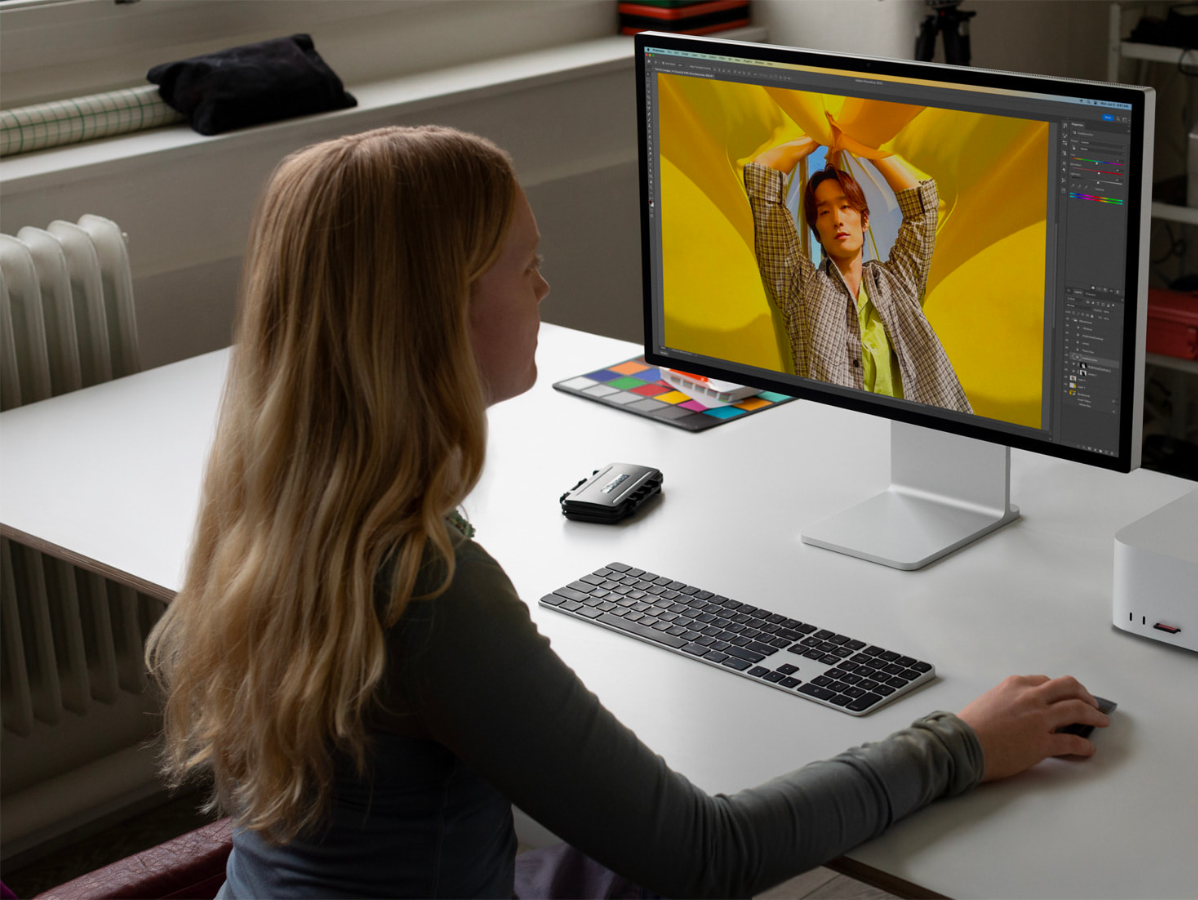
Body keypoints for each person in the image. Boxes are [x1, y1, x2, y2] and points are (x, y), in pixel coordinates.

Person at [145, 125, 1109, 899]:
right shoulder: (425, 586)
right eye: (524, 264)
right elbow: (705, 854)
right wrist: (961, 743)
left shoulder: (275, 506)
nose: (544, 286)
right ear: (435, 312)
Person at [745, 136, 971, 412]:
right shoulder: (799, 288)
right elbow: (763, 177)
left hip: (921, 436)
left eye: (845, 206)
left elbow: (923, 208)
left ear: (864, 221)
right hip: (839, 440)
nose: (837, 219)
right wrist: (817, 137)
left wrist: (867, 148)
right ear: (817, 232)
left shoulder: (898, 280)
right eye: (824, 212)